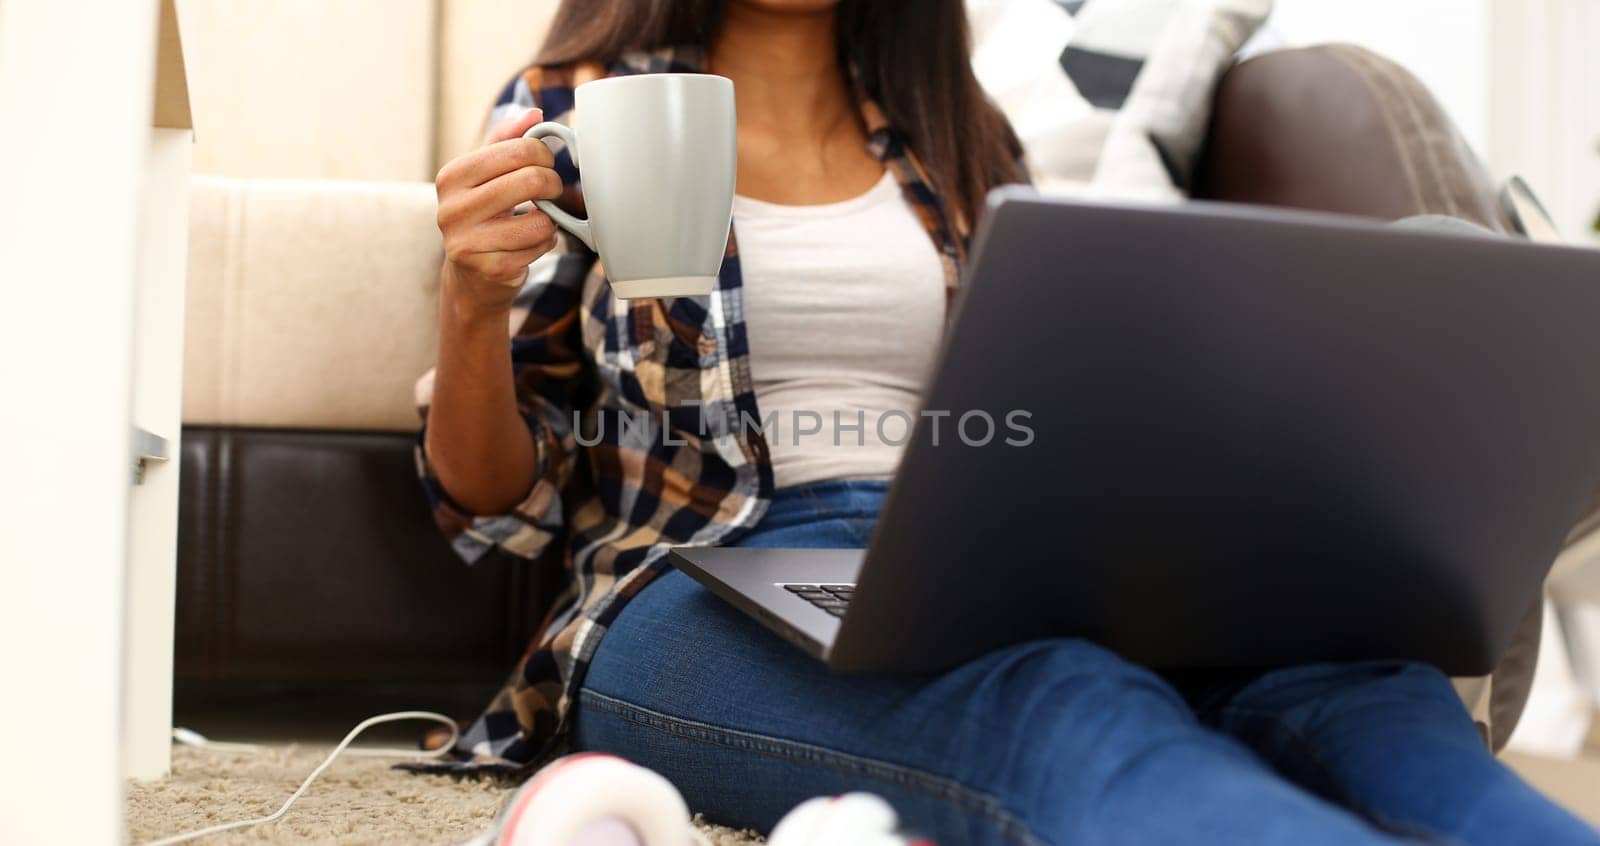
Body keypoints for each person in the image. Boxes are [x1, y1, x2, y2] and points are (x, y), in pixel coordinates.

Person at [418, 1, 1600, 843]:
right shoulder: (569, 113)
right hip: (697, 579)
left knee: (1356, 679)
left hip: (965, 543)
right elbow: (492, 507)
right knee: (1061, 705)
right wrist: (472, 301)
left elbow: (1028, 400)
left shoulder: (956, 128)